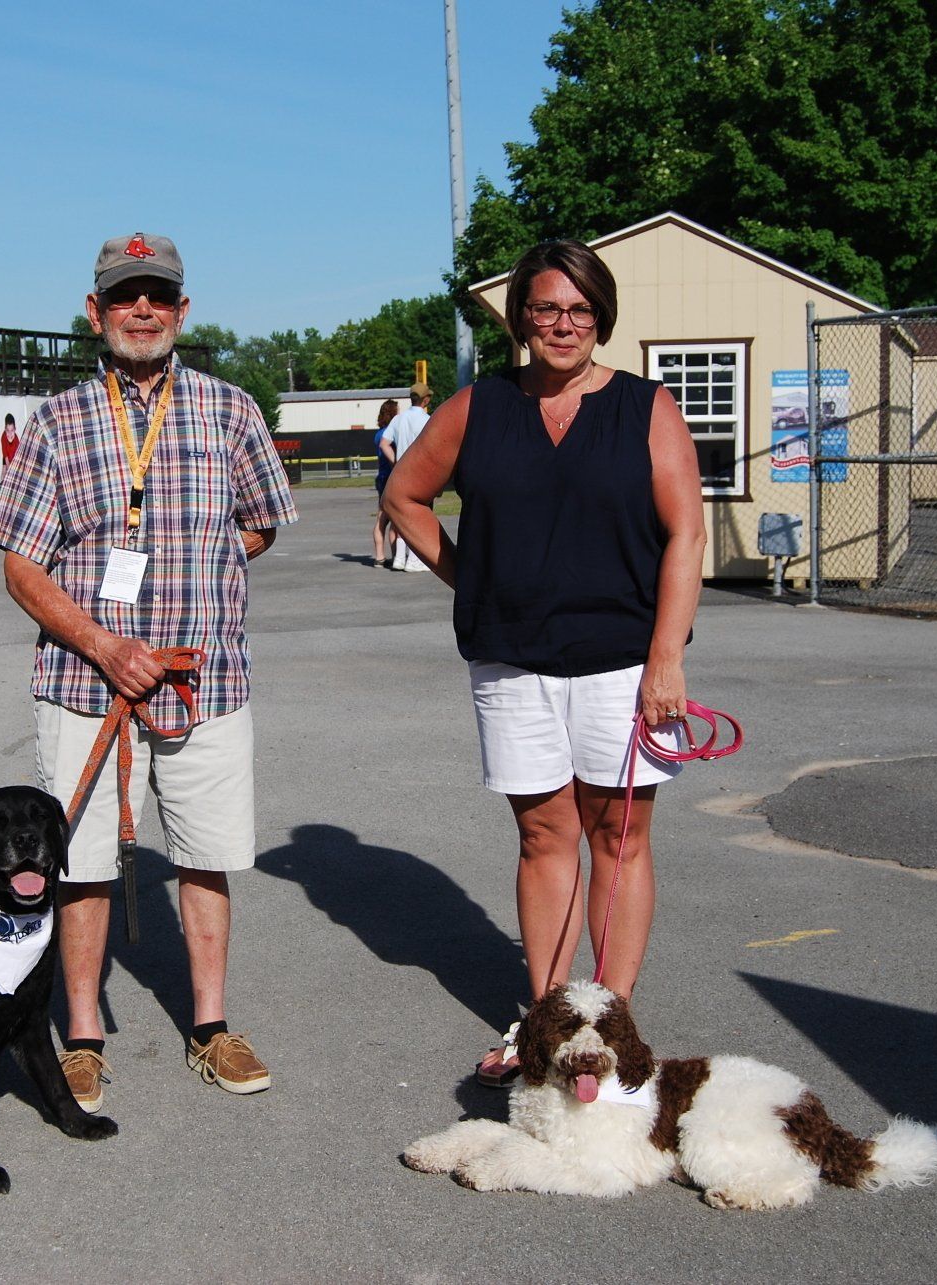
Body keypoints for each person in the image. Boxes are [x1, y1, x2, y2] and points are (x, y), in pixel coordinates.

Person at [0, 232, 298, 1111]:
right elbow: (20, 564)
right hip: (87, 684)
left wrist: (200, 566)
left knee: (207, 856)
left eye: (159, 293)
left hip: (206, 679)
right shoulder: (56, 420)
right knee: (78, 863)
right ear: (97, 312)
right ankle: (81, 1035)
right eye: (126, 296)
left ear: (183, 310)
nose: (144, 309)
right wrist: (105, 643)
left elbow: (265, 521)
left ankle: (210, 1027)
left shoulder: (231, 410)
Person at [381, 239, 706, 1087]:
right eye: (547, 308)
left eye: (580, 309)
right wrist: (470, 580)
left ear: (601, 317)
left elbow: (685, 535)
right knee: (543, 834)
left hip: (623, 663)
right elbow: (403, 496)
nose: (564, 323)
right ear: (521, 317)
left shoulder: (646, 407)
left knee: (621, 835)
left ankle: (613, 1019)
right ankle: (550, 1024)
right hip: (513, 661)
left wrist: (666, 656)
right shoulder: (478, 407)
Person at [379, 382, 433, 571]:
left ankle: (399, 559)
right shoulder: (427, 420)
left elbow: (384, 443)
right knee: (420, 517)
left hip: (401, 473)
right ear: (426, 400)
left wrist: (396, 462)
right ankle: (415, 560)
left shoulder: (398, 419)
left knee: (402, 517)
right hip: (421, 474)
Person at [370, 398, 399, 566]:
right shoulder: (391, 434)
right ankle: (396, 556)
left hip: (381, 478)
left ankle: (379, 556)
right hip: (390, 477)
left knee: (382, 519)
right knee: (394, 520)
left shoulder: (378, 433)